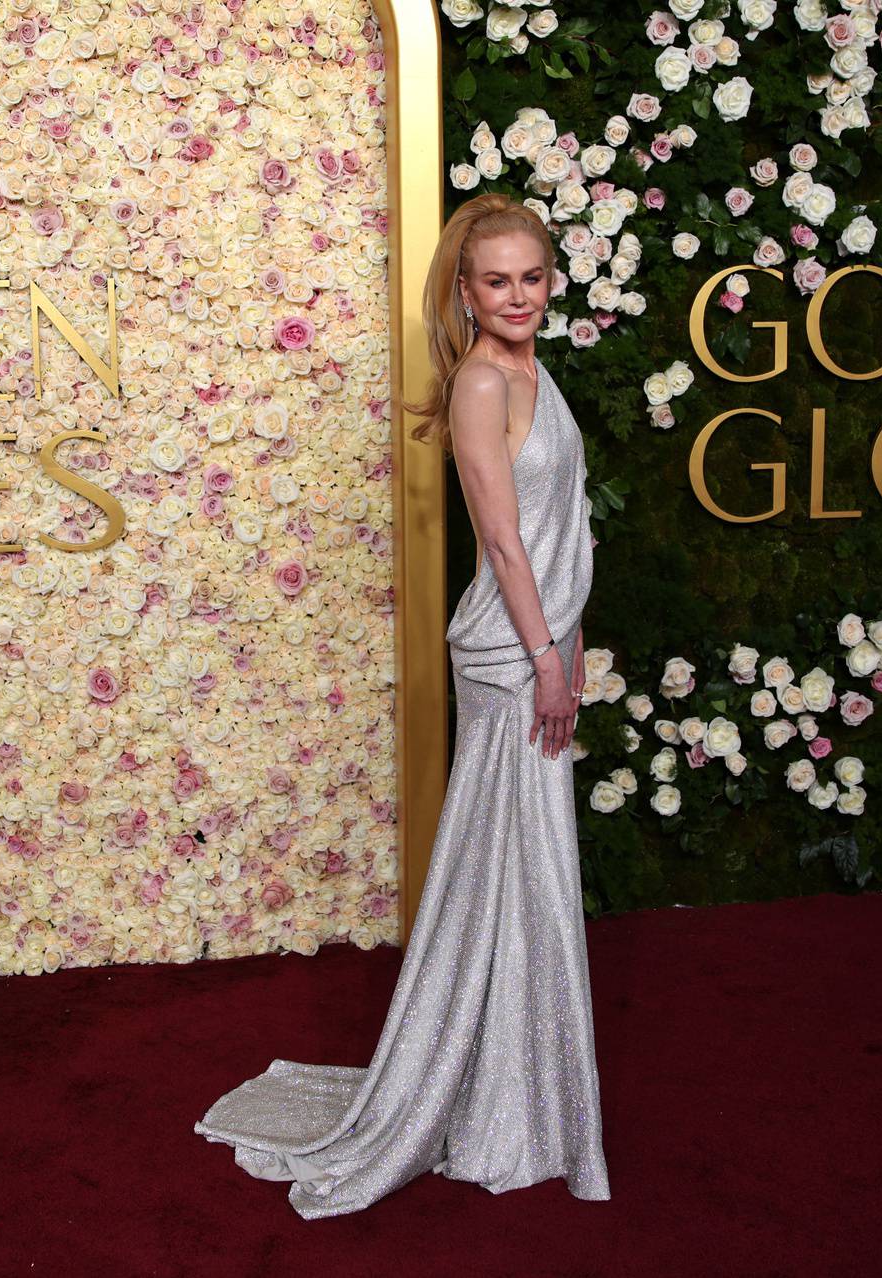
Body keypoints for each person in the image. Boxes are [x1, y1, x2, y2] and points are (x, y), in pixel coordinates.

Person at [193, 193, 610, 1219]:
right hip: (512, 657)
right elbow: (505, 544)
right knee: (514, 868)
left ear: (550, 281)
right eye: (496, 281)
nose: (517, 297)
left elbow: (563, 522)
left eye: (533, 278)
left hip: (544, 643)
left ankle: (516, 1086)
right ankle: (482, 1090)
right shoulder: (478, 384)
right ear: (464, 292)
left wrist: (576, 632)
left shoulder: (532, 370)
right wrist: (546, 658)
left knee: (530, 869)